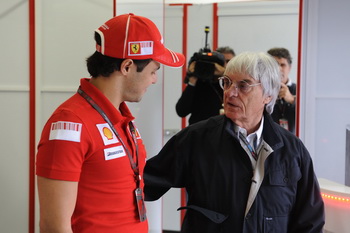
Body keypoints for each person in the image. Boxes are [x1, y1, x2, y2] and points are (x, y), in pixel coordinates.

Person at [35, 13, 185, 233]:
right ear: (126, 67)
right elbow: (53, 226)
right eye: (153, 71)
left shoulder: (121, 119)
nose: (154, 80)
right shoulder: (70, 123)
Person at [144, 52, 324, 232]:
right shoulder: (196, 139)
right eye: (227, 82)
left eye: (243, 85)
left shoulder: (292, 150)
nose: (230, 92)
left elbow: (310, 220)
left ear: (268, 95)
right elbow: (142, 186)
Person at [175, 46, 235, 125]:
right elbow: (181, 111)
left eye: (228, 62)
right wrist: (193, 79)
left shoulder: (234, 86)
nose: (225, 65)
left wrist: (226, 75)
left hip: (225, 132)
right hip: (200, 133)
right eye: (222, 62)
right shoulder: (200, 82)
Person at [267, 47, 296, 133]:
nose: (279, 69)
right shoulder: (260, 89)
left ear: (289, 68)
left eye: (282, 65)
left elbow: (309, 116)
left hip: (292, 140)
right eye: (275, 65)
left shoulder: (299, 90)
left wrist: (292, 100)